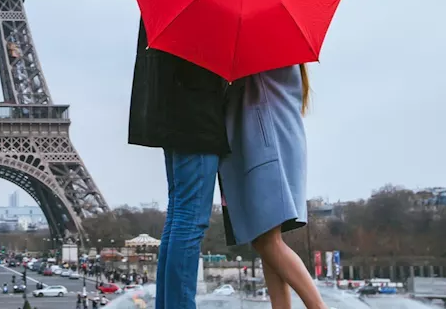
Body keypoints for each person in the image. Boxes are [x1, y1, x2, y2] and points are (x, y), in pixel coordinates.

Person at [128, 19, 230, 309]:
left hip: (175, 117)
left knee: (179, 218)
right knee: (189, 222)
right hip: (195, 120)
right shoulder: (206, 6)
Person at [217, 64, 324, 309]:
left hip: (265, 148)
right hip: (276, 143)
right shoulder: (285, 56)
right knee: (267, 239)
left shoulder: (261, 57)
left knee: (266, 241)